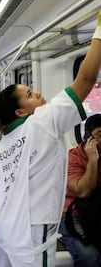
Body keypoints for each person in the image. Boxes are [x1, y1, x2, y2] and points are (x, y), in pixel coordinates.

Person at [0, 11, 101, 267]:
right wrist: (99, 32)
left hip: (3, 222)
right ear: (20, 111)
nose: (39, 94)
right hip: (31, 228)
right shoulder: (42, 122)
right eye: (30, 94)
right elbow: (87, 79)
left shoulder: (7, 139)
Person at [59, 114, 101, 266]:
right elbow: (83, 192)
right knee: (89, 256)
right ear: (88, 137)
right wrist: (92, 160)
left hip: (97, 212)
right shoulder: (73, 157)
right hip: (75, 213)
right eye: (100, 135)